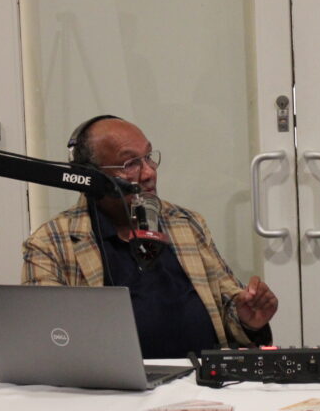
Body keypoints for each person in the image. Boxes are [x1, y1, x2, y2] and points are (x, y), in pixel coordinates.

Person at [22, 116, 277, 357]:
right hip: (108, 395)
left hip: (198, 384)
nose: (148, 173)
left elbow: (228, 304)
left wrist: (246, 318)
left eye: (149, 158)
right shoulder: (51, 242)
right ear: (90, 176)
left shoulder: (185, 223)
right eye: (130, 164)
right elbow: (45, 339)